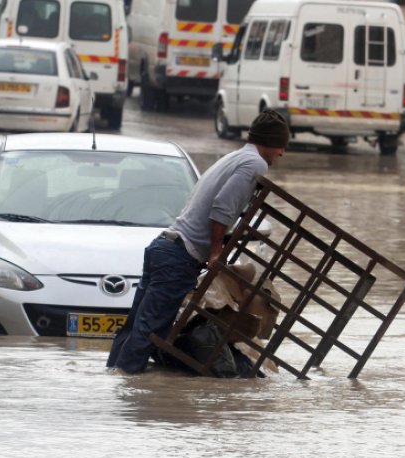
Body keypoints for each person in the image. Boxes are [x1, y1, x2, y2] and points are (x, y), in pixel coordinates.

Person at [107, 110, 290, 374]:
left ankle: (114, 381)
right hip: (178, 258)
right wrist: (216, 253)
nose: (281, 153)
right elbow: (222, 209)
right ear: (269, 142)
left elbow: (216, 209)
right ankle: (128, 389)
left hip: (164, 247)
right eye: (280, 146)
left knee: (135, 326)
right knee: (148, 333)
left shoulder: (234, 157)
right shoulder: (255, 164)